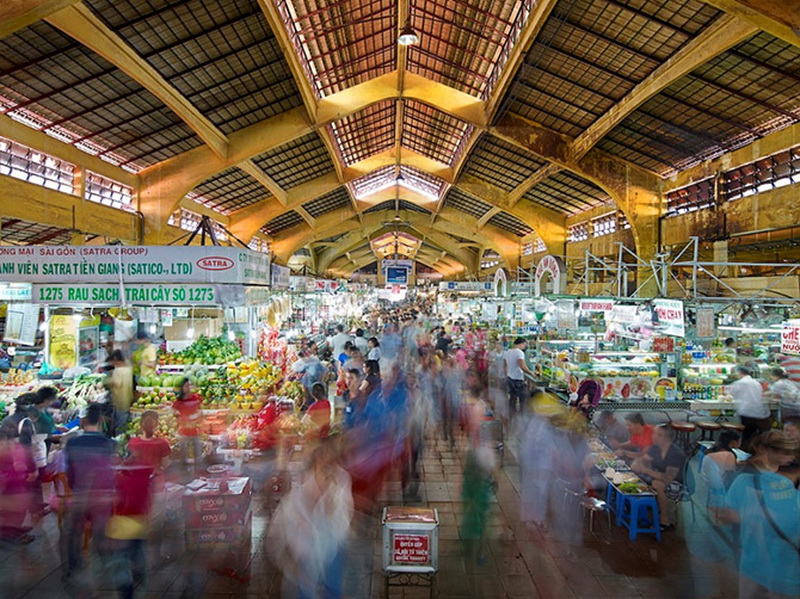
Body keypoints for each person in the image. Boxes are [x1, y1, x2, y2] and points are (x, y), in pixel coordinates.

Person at [723, 430, 799, 598]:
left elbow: (727, 515)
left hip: (757, 556)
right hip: (774, 558)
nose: (791, 457)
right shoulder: (751, 479)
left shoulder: (746, 477)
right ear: (768, 450)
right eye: (787, 453)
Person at [63, 402, 117, 582]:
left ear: (83, 420)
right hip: (102, 495)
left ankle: (73, 567)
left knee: (73, 533)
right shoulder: (108, 444)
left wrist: (73, 487)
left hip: (80, 493)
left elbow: (69, 471)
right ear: (101, 420)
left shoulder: (72, 443)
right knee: (100, 531)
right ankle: (106, 565)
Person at [631, 424, 686, 531]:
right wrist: (637, 464)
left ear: (667, 438)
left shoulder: (675, 454)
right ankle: (641, 509)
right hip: (658, 476)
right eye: (654, 433)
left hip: (677, 484)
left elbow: (667, 478)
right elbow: (643, 459)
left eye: (658, 434)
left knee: (658, 484)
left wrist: (645, 469)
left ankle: (665, 520)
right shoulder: (655, 448)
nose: (654, 436)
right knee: (635, 473)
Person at [730, 365, 770, 450]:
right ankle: (753, 451)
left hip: (747, 411)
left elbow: (731, 393)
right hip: (759, 412)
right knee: (753, 434)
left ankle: (744, 451)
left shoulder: (740, 383)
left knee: (746, 434)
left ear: (740, 373)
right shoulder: (756, 383)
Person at [171, 378, 203, 467]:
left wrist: (196, 418)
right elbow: (175, 414)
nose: (189, 388)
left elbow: (200, 411)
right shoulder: (178, 402)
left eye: (190, 385)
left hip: (195, 432)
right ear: (182, 388)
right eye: (186, 386)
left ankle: (198, 474)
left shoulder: (195, 399)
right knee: (184, 457)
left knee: (198, 456)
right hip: (184, 433)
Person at [503, 338, 534, 418]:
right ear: (521, 343)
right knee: (523, 399)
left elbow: (505, 365)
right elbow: (522, 366)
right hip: (518, 379)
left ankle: (512, 415)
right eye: (524, 344)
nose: (525, 346)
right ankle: (522, 416)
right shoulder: (520, 353)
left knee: (512, 398)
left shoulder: (508, 352)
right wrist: (531, 373)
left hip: (510, 377)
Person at [107, 350, 134, 435]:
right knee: (125, 422)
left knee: (119, 424)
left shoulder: (118, 371)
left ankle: (118, 441)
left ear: (115, 360)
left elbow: (116, 383)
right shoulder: (129, 368)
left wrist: (106, 381)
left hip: (119, 400)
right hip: (128, 398)